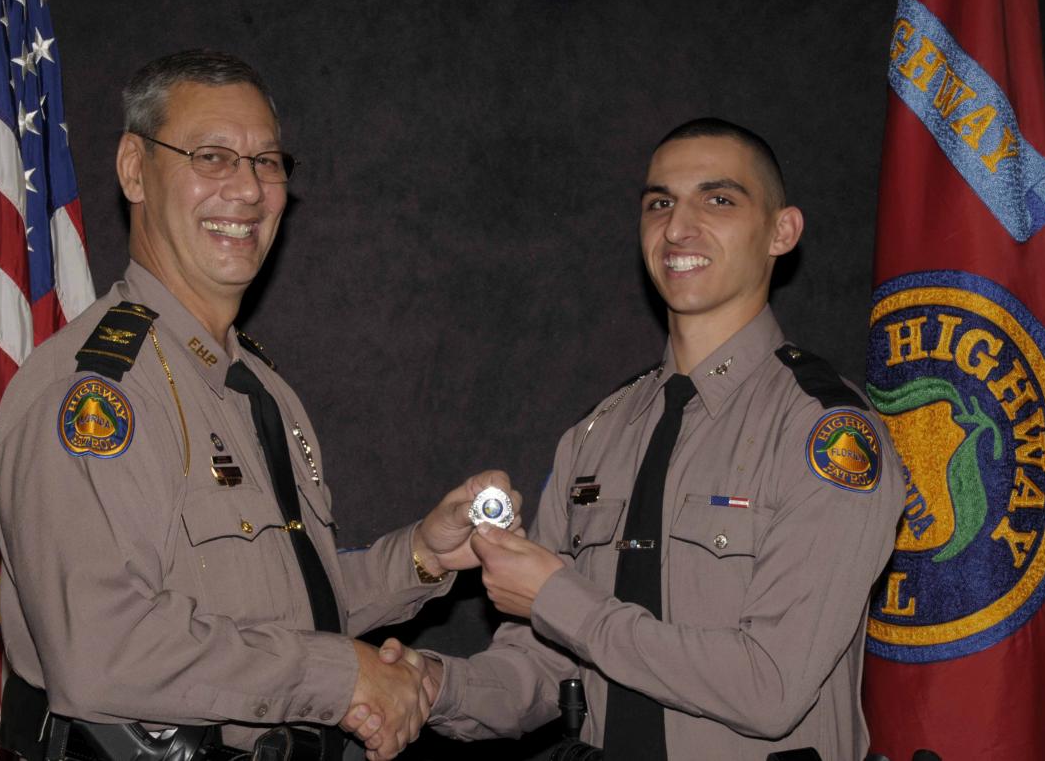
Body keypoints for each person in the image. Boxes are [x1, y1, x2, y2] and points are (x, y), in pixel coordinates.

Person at [0, 49, 515, 761]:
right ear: (134, 169)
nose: (247, 189)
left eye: (267, 162)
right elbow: (104, 651)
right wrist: (343, 678)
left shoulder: (259, 387)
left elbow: (280, 609)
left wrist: (419, 556)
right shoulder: (97, 394)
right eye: (211, 157)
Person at [380, 118, 906, 759]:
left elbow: (770, 688)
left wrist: (559, 598)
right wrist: (434, 687)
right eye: (660, 203)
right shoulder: (597, 436)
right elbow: (544, 669)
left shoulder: (824, 433)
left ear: (782, 231)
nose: (678, 228)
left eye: (718, 199)